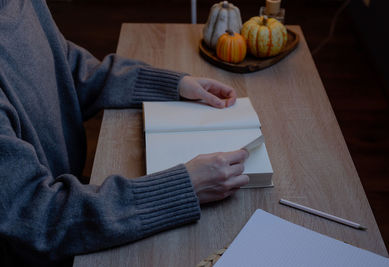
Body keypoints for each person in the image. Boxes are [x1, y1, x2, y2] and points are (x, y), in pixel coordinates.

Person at [0, 0, 249, 265]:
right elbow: (36, 218)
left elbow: (66, 65)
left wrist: (171, 85)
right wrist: (183, 189)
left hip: (75, 194)